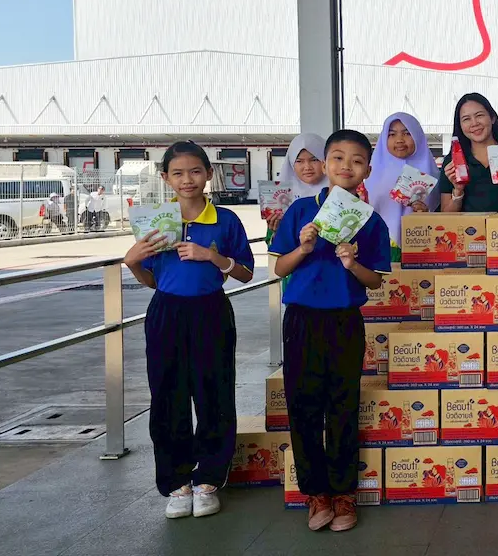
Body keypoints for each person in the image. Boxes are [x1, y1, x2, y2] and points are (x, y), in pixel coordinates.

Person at [123, 141, 255, 519]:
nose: (187, 180)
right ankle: (176, 481)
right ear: (165, 178)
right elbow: (153, 280)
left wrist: (213, 257)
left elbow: (246, 273)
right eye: (178, 173)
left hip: (211, 311)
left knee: (214, 392)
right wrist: (133, 263)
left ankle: (209, 478)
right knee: (168, 395)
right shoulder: (155, 220)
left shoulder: (225, 220)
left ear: (209, 174)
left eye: (195, 171)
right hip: (166, 312)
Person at [270, 129, 390, 533]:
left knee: (343, 405)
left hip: (344, 321)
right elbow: (279, 268)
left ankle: (343, 492)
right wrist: (303, 248)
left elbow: (375, 281)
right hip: (302, 320)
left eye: (357, 160)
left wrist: (352, 263)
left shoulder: (370, 221)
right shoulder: (301, 211)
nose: (346, 166)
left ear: (367, 170)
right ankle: (315, 492)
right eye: (337, 158)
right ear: (324, 165)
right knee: (303, 407)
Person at [363, 112, 439, 260]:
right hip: (380, 246)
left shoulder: (432, 174)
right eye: (392, 134)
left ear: (417, 136)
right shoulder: (371, 173)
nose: (399, 140)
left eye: (407, 133)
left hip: (420, 244)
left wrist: (426, 212)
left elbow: (442, 215)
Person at [270, 133, 328, 239]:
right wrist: (277, 231)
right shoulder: (280, 198)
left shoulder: (340, 193)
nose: (307, 167)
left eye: (314, 160)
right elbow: (273, 245)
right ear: (291, 164)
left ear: (325, 161)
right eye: (299, 161)